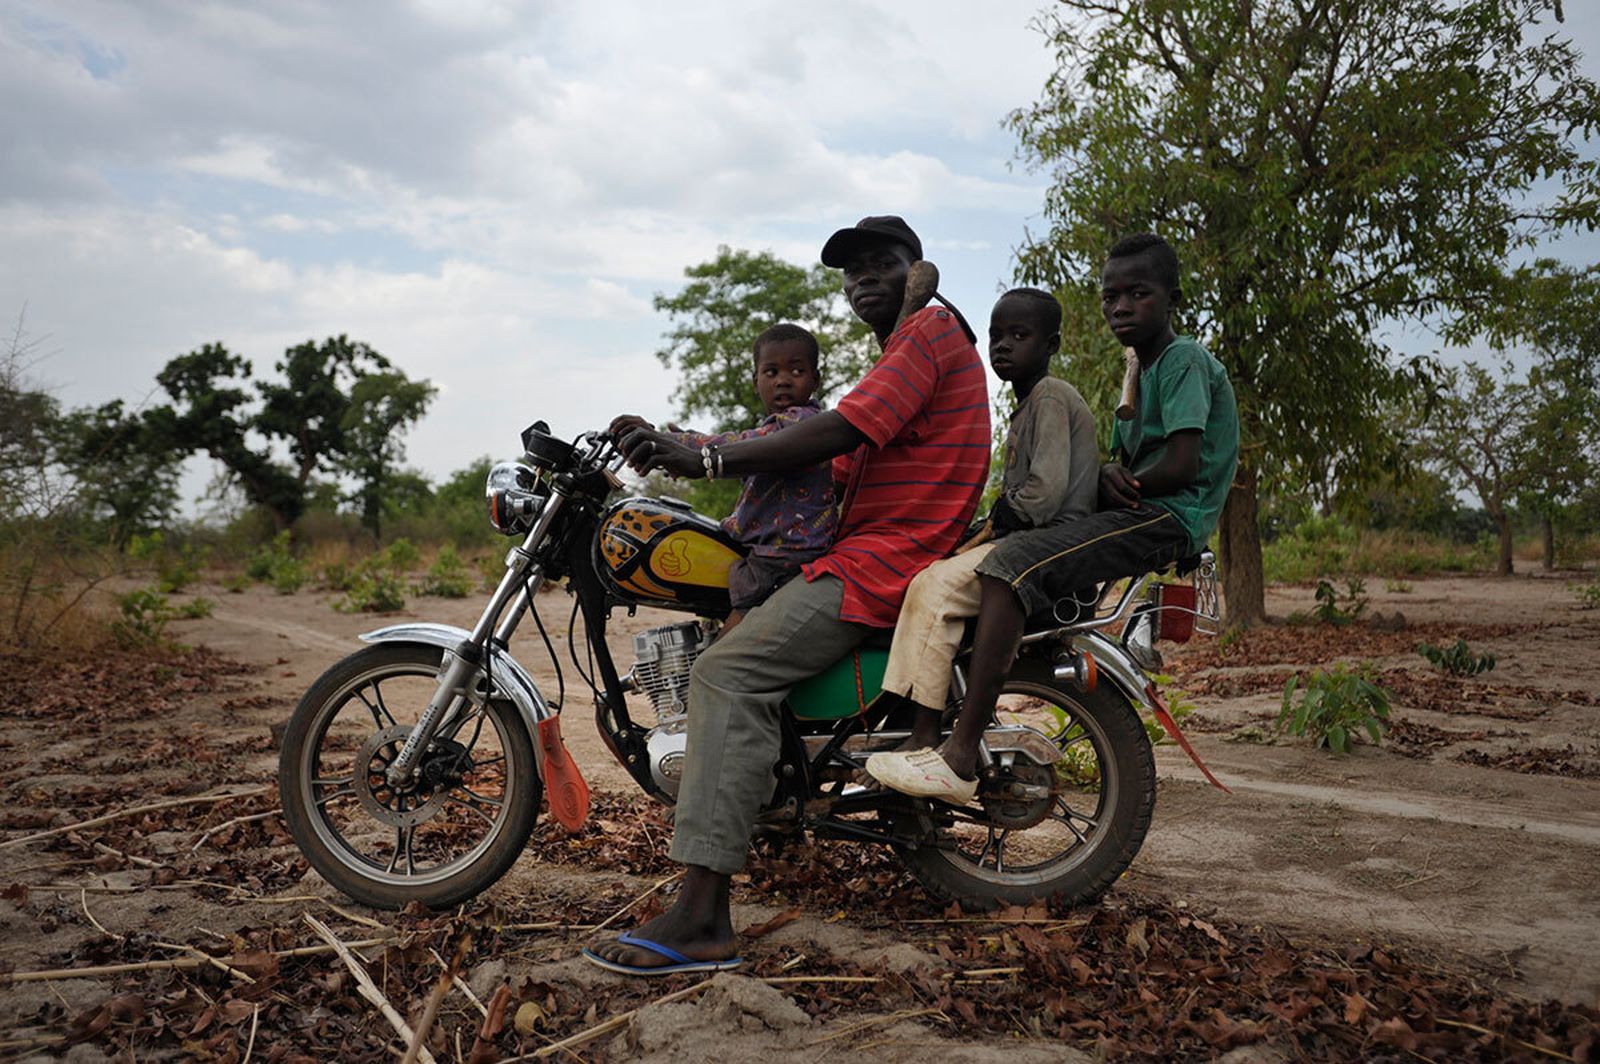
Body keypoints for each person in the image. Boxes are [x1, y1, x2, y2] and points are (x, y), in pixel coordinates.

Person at [584, 215, 991, 975]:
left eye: (882, 263)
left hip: (881, 561)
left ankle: (702, 917)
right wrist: (676, 442)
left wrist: (704, 457)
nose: (865, 277)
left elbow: (832, 435)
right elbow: (818, 464)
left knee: (726, 674)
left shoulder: (926, 335)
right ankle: (758, 800)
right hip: (868, 550)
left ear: (916, 270)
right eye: (851, 270)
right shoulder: (899, 355)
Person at [865, 232, 1239, 801]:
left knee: (1012, 564)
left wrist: (1124, 481)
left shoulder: (1182, 359)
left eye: (1136, 294)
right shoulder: (1138, 368)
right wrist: (1114, 475)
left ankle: (959, 754)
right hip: (1144, 506)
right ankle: (921, 732)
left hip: (1170, 516)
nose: (1120, 307)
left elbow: (1183, 463)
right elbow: (1130, 463)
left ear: (1172, 299)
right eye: (1110, 296)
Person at [864, 288, 1098, 802]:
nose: (1003, 347)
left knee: (934, 588)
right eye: (996, 336)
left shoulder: (1052, 396)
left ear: (1051, 343)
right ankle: (917, 721)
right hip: (1027, 539)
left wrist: (997, 517)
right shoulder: (1027, 406)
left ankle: (928, 737)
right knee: (922, 577)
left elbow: (1044, 493)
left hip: (1044, 545)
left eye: (1020, 335)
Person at [611, 323, 836, 628]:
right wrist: (672, 447)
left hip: (782, 559)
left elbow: (740, 444)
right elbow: (740, 448)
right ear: (756, 380)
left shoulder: (801, 425)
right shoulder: (773, 430)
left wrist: (675, 443)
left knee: (722, 651)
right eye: (771, 373)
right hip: (765, 551)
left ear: (815, 379)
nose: (783, 381)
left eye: (796, 372)